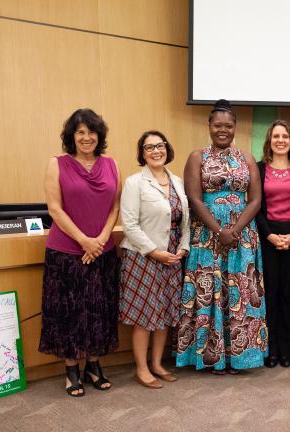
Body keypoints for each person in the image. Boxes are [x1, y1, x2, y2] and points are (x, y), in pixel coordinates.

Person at [176, 99, 267, 373]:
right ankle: (210, 356)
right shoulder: (197, 157)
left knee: (240, 290)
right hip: (207, 235)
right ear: (209, 127)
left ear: (235, 127)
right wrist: (219, 231)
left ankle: (239, 357)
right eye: (218, 125)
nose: (223, 130)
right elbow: (194, 197)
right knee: (210, 290)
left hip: (243, 236)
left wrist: (235, 231)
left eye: (228, 125)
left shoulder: (247, 158)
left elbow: (256, 200)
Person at [39, 108, 121, 397]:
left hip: (103, 250)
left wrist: (98, 240)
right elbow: (54, 209)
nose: (87, 137)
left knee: (99, 310)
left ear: (100, 135)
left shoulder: (111, 164)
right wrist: (84, 240)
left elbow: (114, 208)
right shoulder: (57, 163)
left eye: (92, 131)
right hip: (66, 251)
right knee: (69, 312)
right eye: (80, 132)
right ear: (71, 136)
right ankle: (71, 368)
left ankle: (94, 365)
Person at [119, 131, 189, 389]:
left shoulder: (178, 181)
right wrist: (153, 251)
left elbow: (186, 221)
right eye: (149, 148)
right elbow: (129, 225)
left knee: (166, 313)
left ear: (167, 149)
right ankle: (142, 368)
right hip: (143, 257)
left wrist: (183, 247)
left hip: (172, 255)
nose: (155, 151)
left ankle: (158, 363)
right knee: (145, 315)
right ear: (142, 153)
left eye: (159, 146)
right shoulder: (134, 182)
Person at [256, 120, 290, 368]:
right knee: (270, 296)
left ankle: (286, 349)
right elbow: (255, 207)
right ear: (269, 140)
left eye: (285, 136)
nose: (280, 140)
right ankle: (270, 350)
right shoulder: (258, 169)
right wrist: (269, 235)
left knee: (288, 296)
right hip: (267, 239)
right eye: (276, 136)